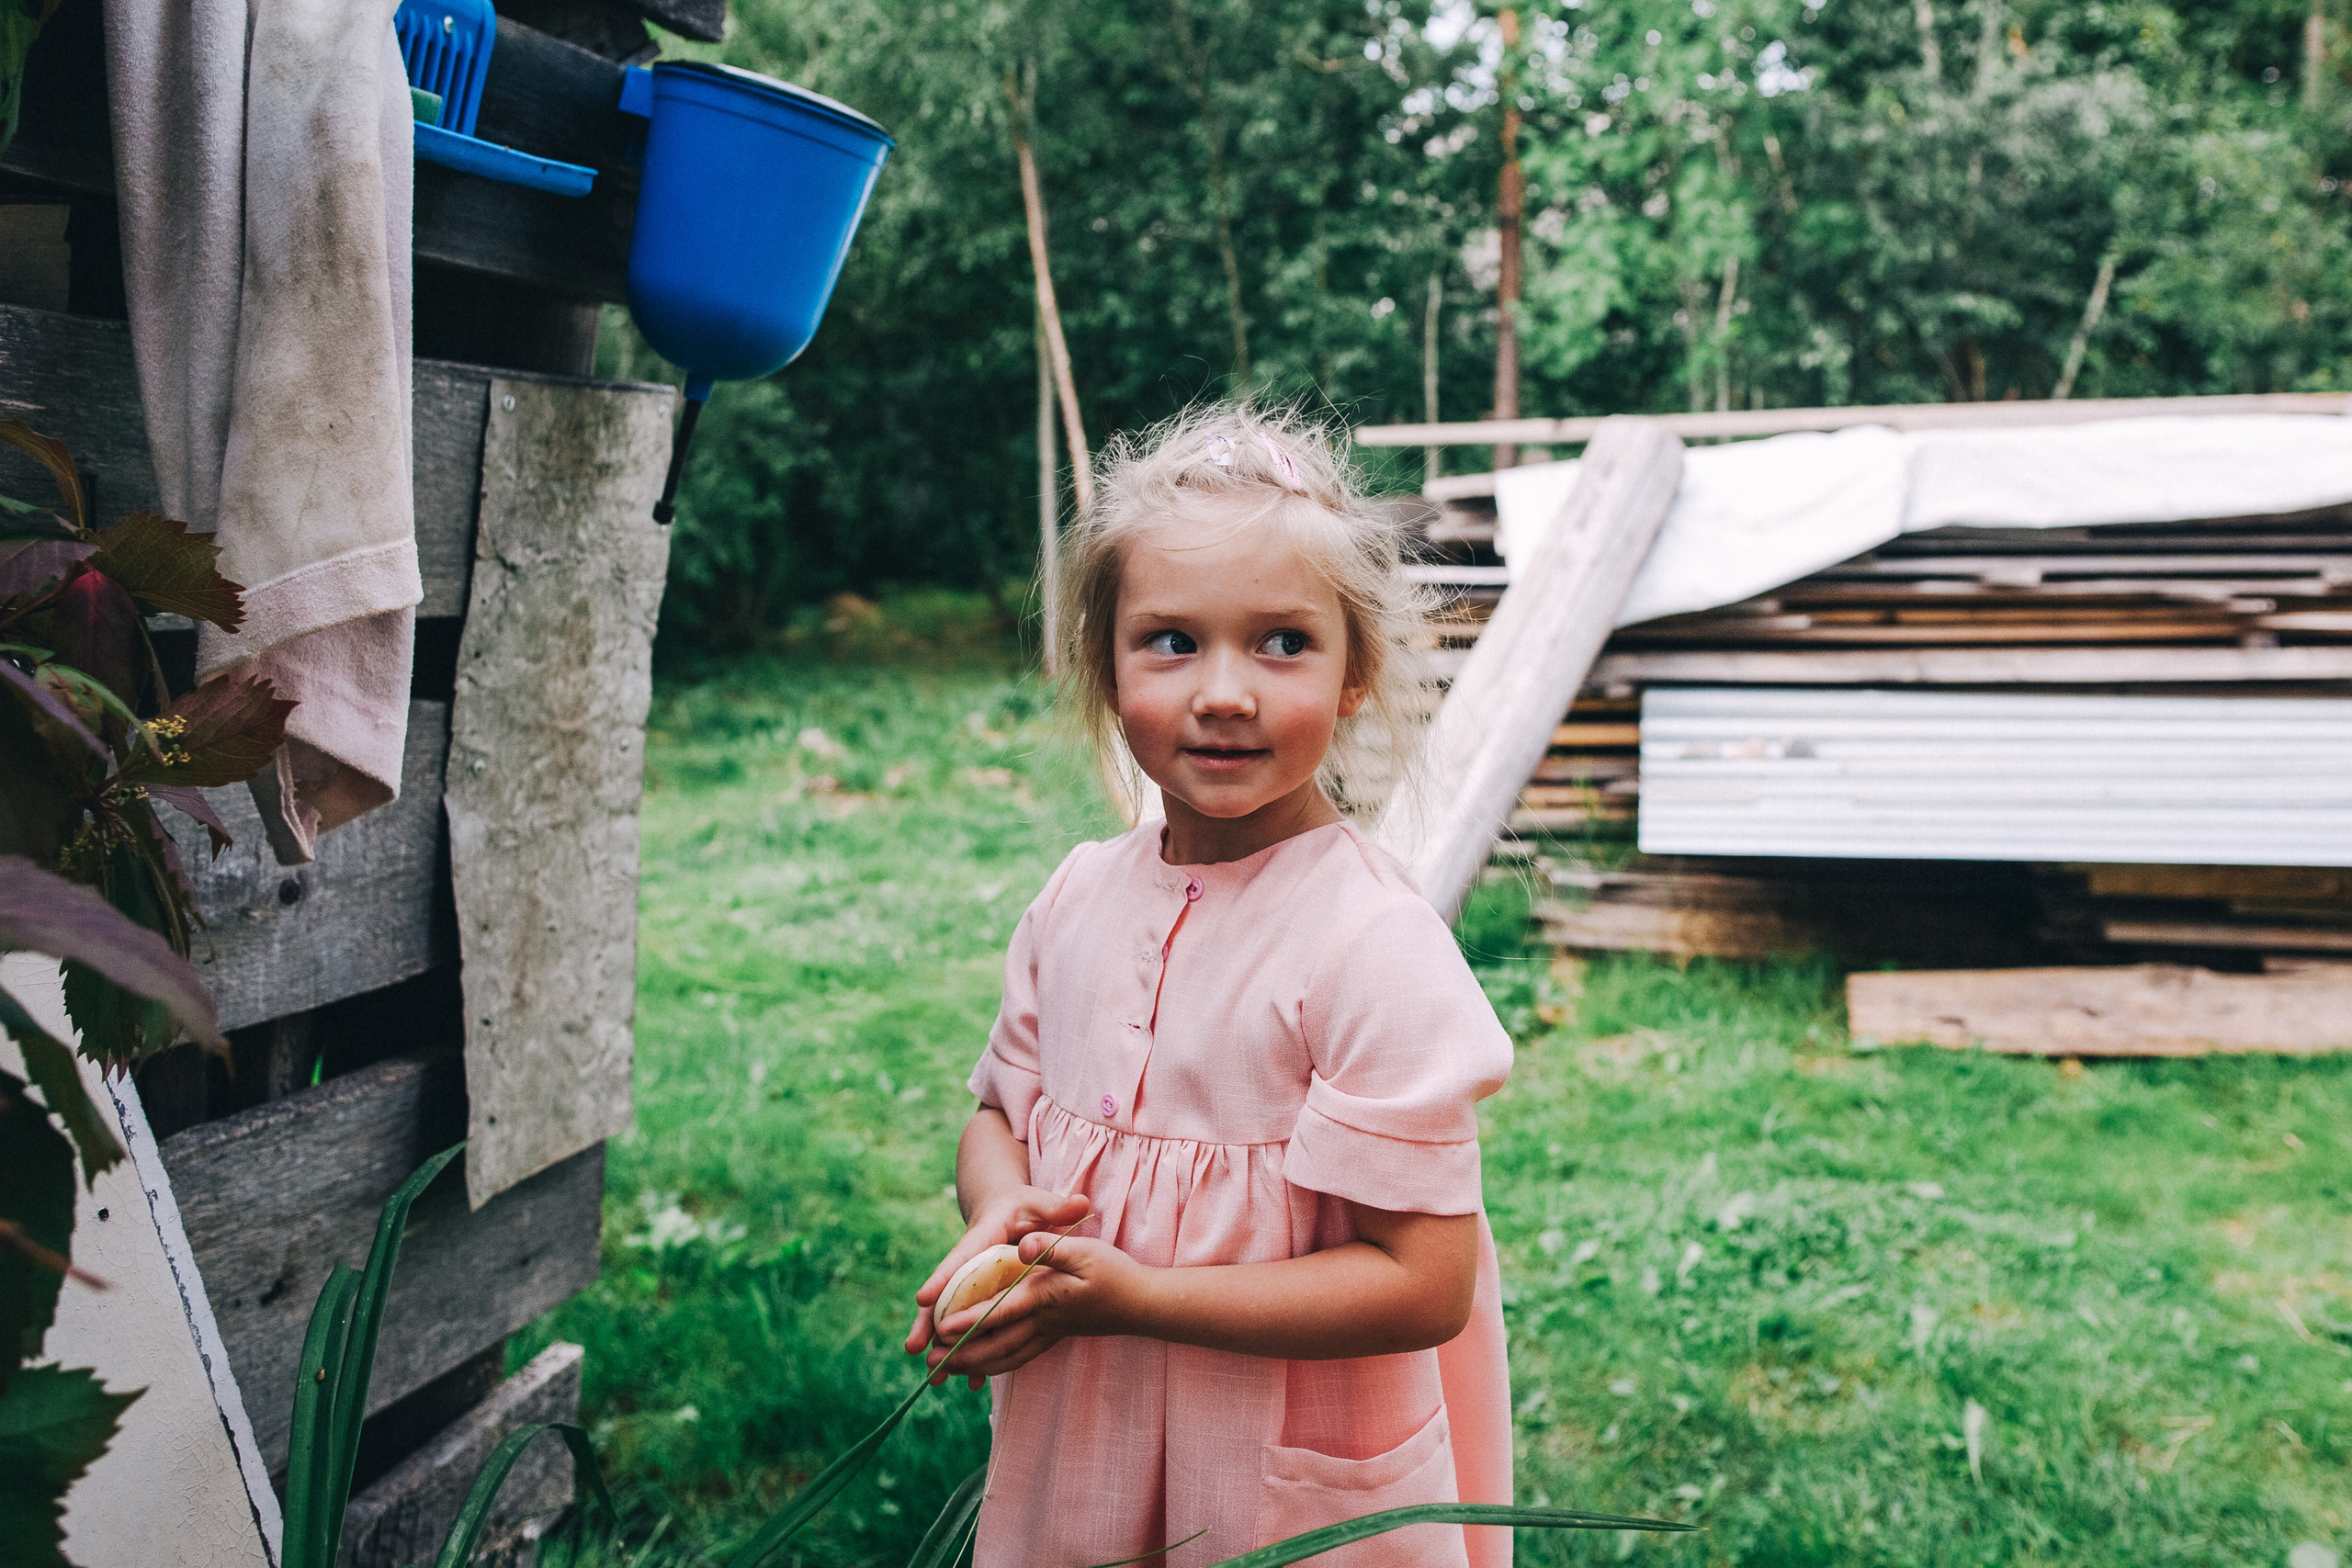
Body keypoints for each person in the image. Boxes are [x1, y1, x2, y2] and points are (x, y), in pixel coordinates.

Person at [902, 404, 1514, 1568]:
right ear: (1104, 661)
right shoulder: (1078, 899)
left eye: (1281, 642)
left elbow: (1423, 1285)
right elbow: (1001, 1114)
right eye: (1172, 641)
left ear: (1354, 675)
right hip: (1091, 1441)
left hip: (1286, 1481)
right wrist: (997, 1211)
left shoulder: (1368, 945)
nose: (1223, 691)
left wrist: (1135, 1295)